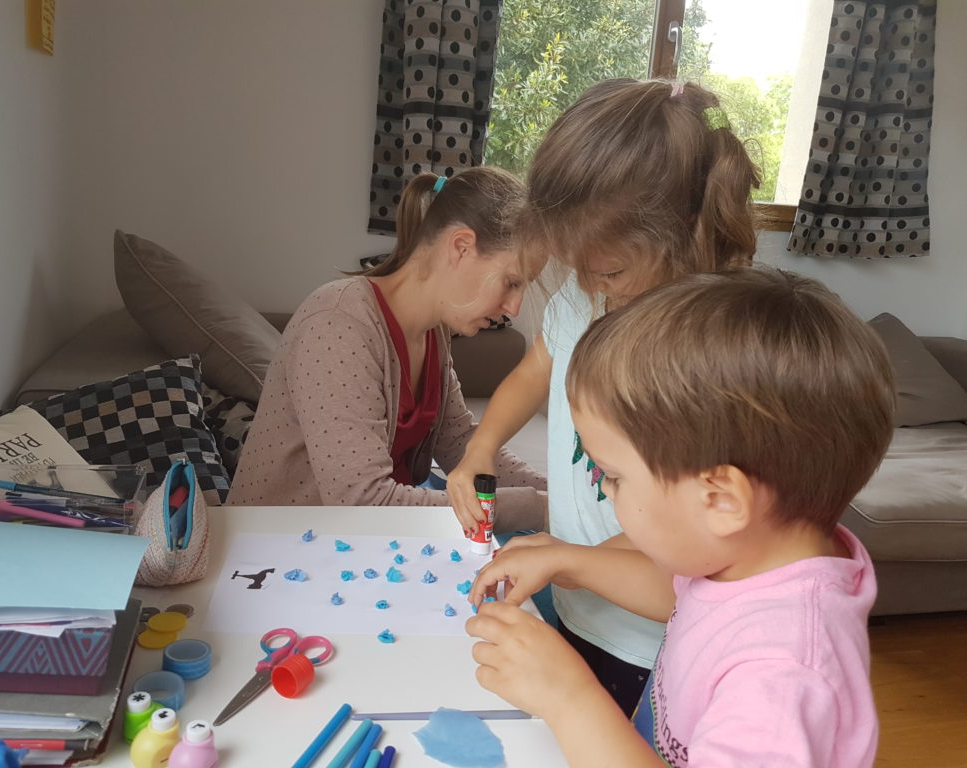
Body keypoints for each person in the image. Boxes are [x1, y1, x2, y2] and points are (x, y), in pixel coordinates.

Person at [466, 267, 894, 767]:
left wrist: (569, 698)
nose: (605, 489)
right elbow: (684, 595)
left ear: (721, 500)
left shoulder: (782, 675)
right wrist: (571, 561)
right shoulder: (751, 556)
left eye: (613, 476)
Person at [447, 78, 761, 712]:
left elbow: (690, 563)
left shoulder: (709, 358)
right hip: (578, 601)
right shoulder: (581, 296)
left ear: (683, 233)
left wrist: (570, 560)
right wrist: (480, 447)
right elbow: (534, 371)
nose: (590, 284)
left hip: (650, 643)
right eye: (576, 265)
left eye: (610, 270)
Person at [228, 167, 547, 531]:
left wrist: (561, 499)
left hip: (363, 542)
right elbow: (363, 502)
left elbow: (460, 441)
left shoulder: (434, 333)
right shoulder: (337, 322)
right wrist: (535, 509)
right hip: (280, 545)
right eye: (511, 282)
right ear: (461, 247)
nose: (514, 308)